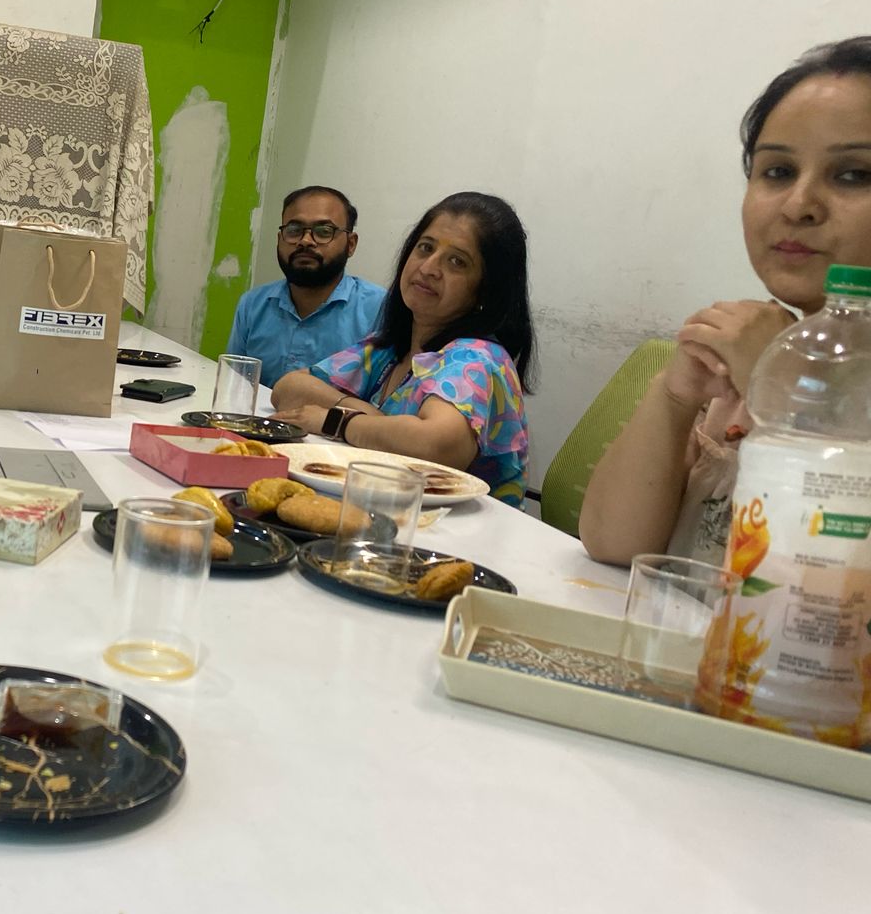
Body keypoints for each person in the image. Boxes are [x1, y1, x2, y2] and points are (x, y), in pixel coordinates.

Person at [580, 37, 871, 566]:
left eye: (854, 174)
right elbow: (614, 544)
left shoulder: (770, 365)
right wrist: (674, 396)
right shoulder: (746, 358)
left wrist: (782, 389)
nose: (798, 205)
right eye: (777, 171)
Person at [269, 191, 536, 506]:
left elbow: (436, 446)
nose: (429, 268)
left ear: (486, 290)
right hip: (386, 513)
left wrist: (337, 421)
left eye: (457, 261)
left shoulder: (478, 358)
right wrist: (367, 414)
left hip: (459, 532)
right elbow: (288, 388)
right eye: (426, 248)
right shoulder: (390, 348)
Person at [225, 186, 386, 384]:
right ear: (279, 239)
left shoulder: (381, 311)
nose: (305, 241)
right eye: (294, 231)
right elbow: (234, 387)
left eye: (324, 231)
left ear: (351, 244)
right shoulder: (252, 305)